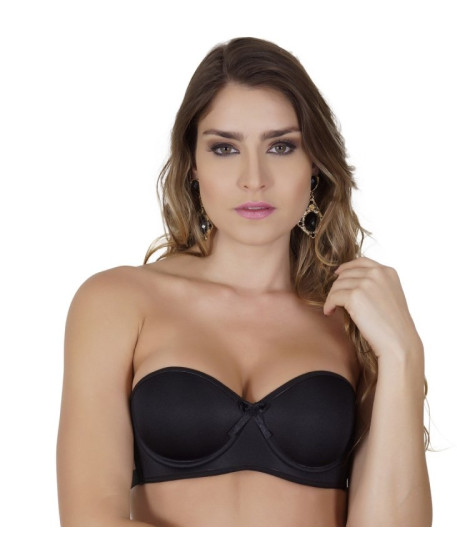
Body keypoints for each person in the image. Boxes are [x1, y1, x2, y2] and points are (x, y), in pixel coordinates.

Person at [56, 37, 432, 527]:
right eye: (225, 148)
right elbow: (90, 526)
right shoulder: (117, 302)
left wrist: (403, 355)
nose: (254, 179)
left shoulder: (353, 317)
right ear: (194, 166)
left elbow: (394, 541)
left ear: (315, 165)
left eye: (281, 146)